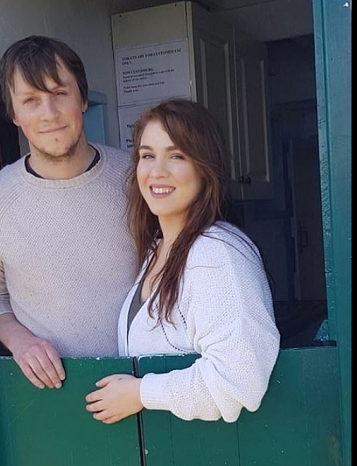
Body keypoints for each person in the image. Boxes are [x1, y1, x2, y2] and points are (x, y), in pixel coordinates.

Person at [85, 99, 280, 424]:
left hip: (206, 449)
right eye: (147, 155)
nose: (157, 171)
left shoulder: (216, 253)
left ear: (205, 168)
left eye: (176, 156)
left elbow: (239, 379)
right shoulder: (157, 249)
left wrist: (141, 393)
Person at [0, 36, 137, 390]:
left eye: (60, 93)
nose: (49, 113)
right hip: (52, 392)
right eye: (31, 100)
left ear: (83, 99)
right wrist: (21, 342)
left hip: (144, 381)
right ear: (14, 114)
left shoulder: (137, 179)